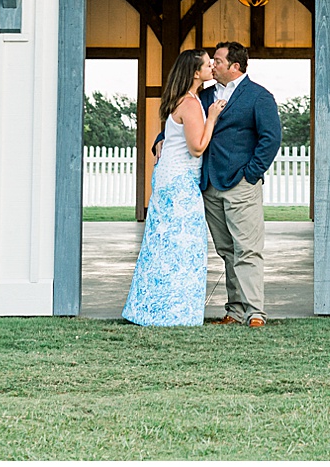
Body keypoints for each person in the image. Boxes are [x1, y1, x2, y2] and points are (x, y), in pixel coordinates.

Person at [121, 50, 224, 326]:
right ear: (194, 72)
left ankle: (152, 309)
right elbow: (197, 147)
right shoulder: (191, 105)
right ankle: (175, 312)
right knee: (184, 245)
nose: (212, 66)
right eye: (207, 64)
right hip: (180, 183)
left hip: (169, 179)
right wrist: (212, 116)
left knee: (163, 244)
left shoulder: (182, 100)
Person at [199, 40, 283, 327]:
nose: (213, 66)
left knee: (247, 249)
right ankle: (235, 311)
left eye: (218, 62)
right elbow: (183, 121)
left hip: (241, 184)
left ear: (235, 66)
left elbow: (270, 139)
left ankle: (255, 312)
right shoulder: (204, 96)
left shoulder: (259, 97)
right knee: (227, 251)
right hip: (210, 185)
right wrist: (161, 141)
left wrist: (251, 173)